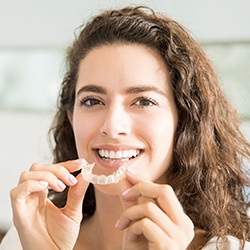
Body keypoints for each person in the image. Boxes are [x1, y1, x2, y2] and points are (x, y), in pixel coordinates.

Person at [1, 5, 250, 250]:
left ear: (184, 121)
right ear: (71, 117)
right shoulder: (25, 238)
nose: (112, 126)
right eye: (92, 101)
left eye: (143, 101)